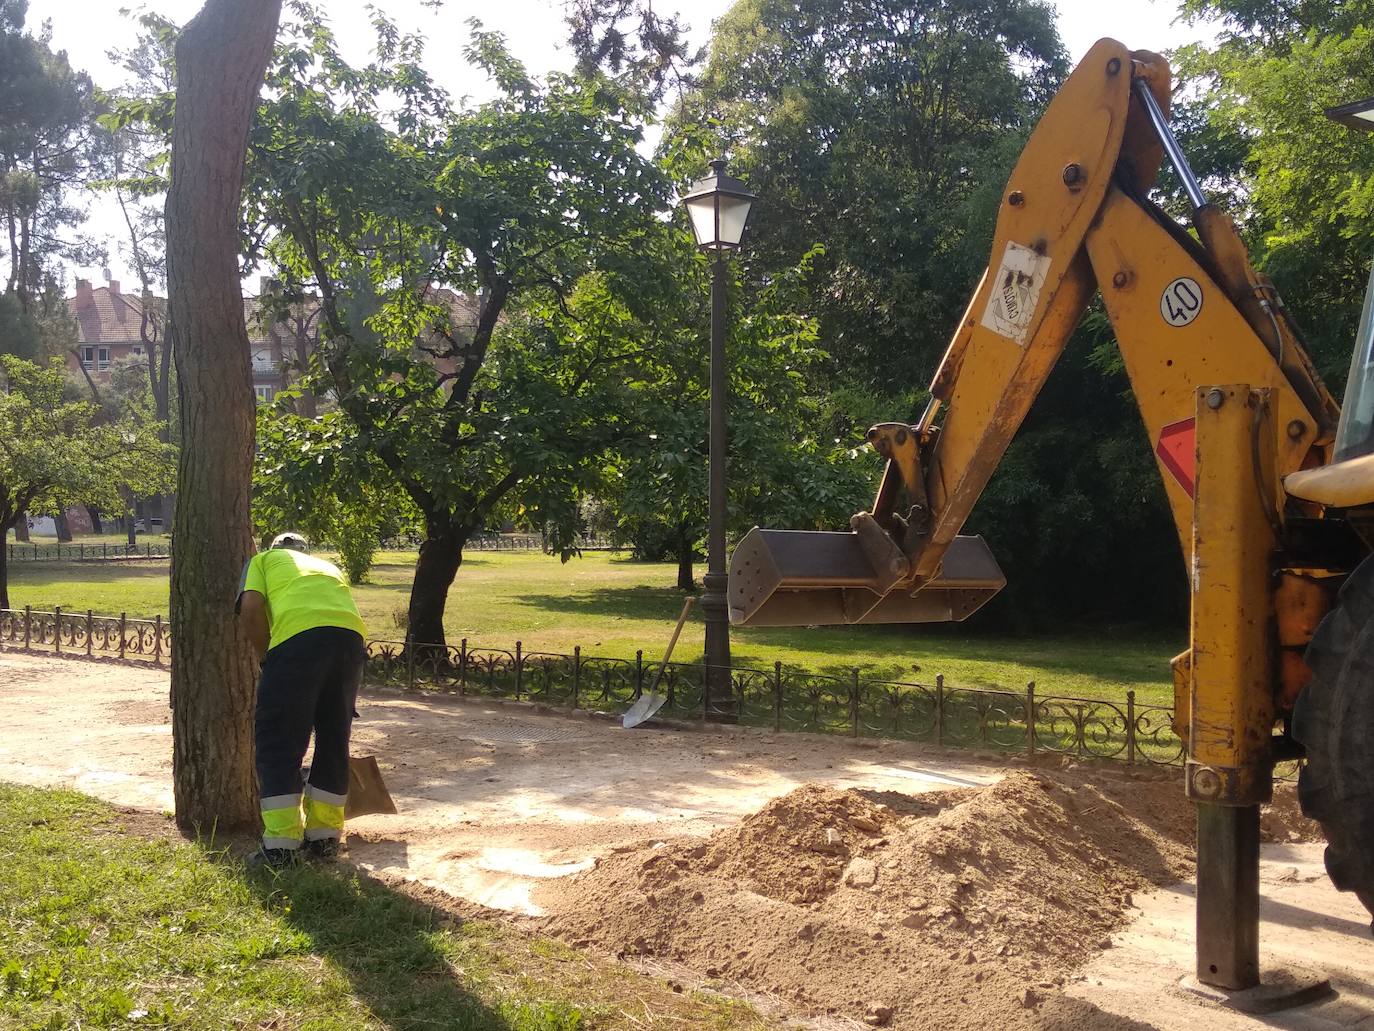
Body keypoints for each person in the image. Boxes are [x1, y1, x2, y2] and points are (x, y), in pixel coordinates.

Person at [236, 532, 367, 868]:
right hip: (350, 642)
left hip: (297, 643)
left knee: (279, 742)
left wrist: (267, 656)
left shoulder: (263, 560)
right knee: (334, 740)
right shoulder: (326, 566)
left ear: (275, 549)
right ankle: (324, 839)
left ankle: (281, 847)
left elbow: (251, 607)